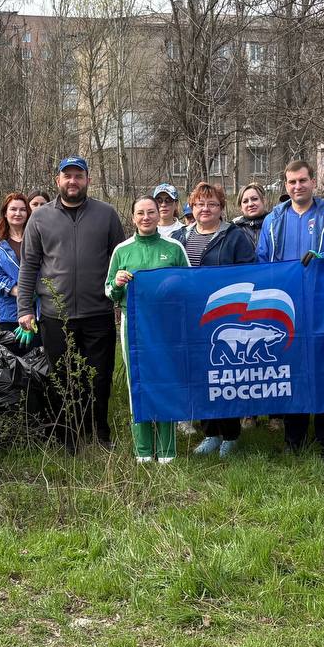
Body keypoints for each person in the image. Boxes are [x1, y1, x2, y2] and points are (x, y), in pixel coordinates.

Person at [17, 156, 126, 450]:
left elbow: (120, 261)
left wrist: (119, 302)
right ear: (58, 181)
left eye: (79, 176)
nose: (73, 181)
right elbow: (29, 265)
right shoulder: (40, 218)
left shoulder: (106, 214)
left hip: (98, 312)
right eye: (67, 176)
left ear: (88, 180)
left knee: (99, 378)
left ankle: (100, 433)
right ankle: (69, 436)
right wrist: (24, 309)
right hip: (56, 315)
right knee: (62, 378)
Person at [256, 159, 324, 463]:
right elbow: (262, 261)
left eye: (302, 180)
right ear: (285, 185)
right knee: (292, 371)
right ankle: (294, 438)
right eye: (292, 182)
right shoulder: (273, 219)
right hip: (287, 310)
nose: (297, 186)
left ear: (313, 182)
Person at [106, 197, 190, 463]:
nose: (146, 217)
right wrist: (117, 283)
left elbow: (189, 285)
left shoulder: (174, 247)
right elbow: (108, 290)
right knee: (138, 383)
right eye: (140, 213)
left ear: (159, 214)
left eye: (151, 212)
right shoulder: (122, 250)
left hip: (166, 326)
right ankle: (143, 450)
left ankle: (166, 450)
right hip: (134, 325)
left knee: (166, 380)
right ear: (133, 217)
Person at [177, 182, 257, 458]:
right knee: (199, 375)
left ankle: (230, 435)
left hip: (225, 316)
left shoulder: (234, 236)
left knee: (224, 376)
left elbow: (249, 273)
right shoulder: (180, 237)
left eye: (212, 204)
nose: (205, 209)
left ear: (221, 208)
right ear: (192, 207)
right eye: (200, 204)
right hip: (191, 317)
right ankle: (210, 432)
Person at [0, 192, 32, 333]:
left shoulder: (37, 241)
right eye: (13, 209)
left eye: (22, 209)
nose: (18, 213)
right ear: (5, 213)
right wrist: (20, 292)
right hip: (10, 313)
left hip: (38, 310)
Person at [233, 182, 269, 248]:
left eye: (254, 199)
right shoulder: (234, 230)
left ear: (264, 201)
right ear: (241, 207)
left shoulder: (275, 224)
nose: (250, 204)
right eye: (245, 201)